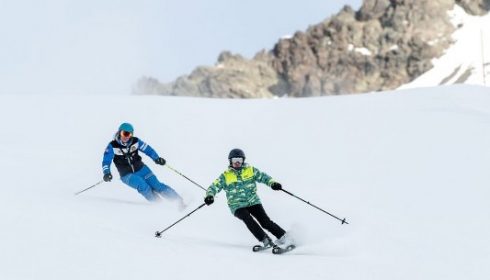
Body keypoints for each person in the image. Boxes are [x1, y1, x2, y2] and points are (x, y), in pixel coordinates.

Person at [204, 148, 293, 249]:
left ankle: (284, 237)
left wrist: (273, 183)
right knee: (247, 219)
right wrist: (209, 196)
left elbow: (263, 177)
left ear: (243, 160)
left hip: (253, 201)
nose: (237, 163)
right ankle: (264, 239)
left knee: (265, 222)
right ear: (230, 161)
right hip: (236, 205)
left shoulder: (250, 170)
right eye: (234, 160)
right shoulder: (225, 176)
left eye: (239, 160)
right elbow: (213, 187)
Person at [102, 122, 185, 207]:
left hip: (142, 169)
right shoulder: (112, 146)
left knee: (157, 185)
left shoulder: (136, 141)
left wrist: (156, 158)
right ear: (119, 132)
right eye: (124, 133)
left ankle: (179, 202)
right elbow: (106, 161)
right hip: (127, 175)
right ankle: (160, 205)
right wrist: (107, 173)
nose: (126, 137)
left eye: (129, 134)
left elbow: (148, 150)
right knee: (143, 187)